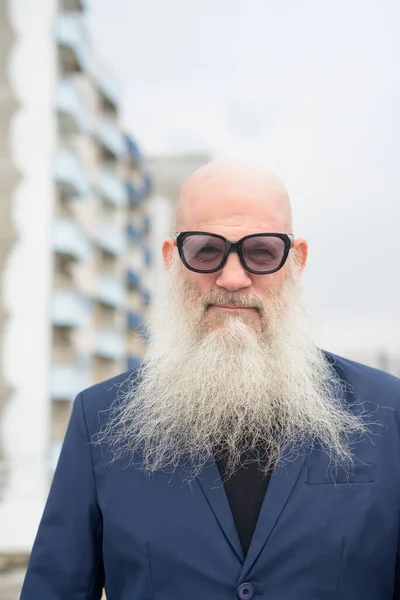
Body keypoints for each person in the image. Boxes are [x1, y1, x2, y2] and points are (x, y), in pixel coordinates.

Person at [20, 159, 400, 600]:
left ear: (296, 261)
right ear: (171, 260)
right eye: (205, 251)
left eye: (261, 252)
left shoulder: (388, 411)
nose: (233, 278)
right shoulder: (99, 419)